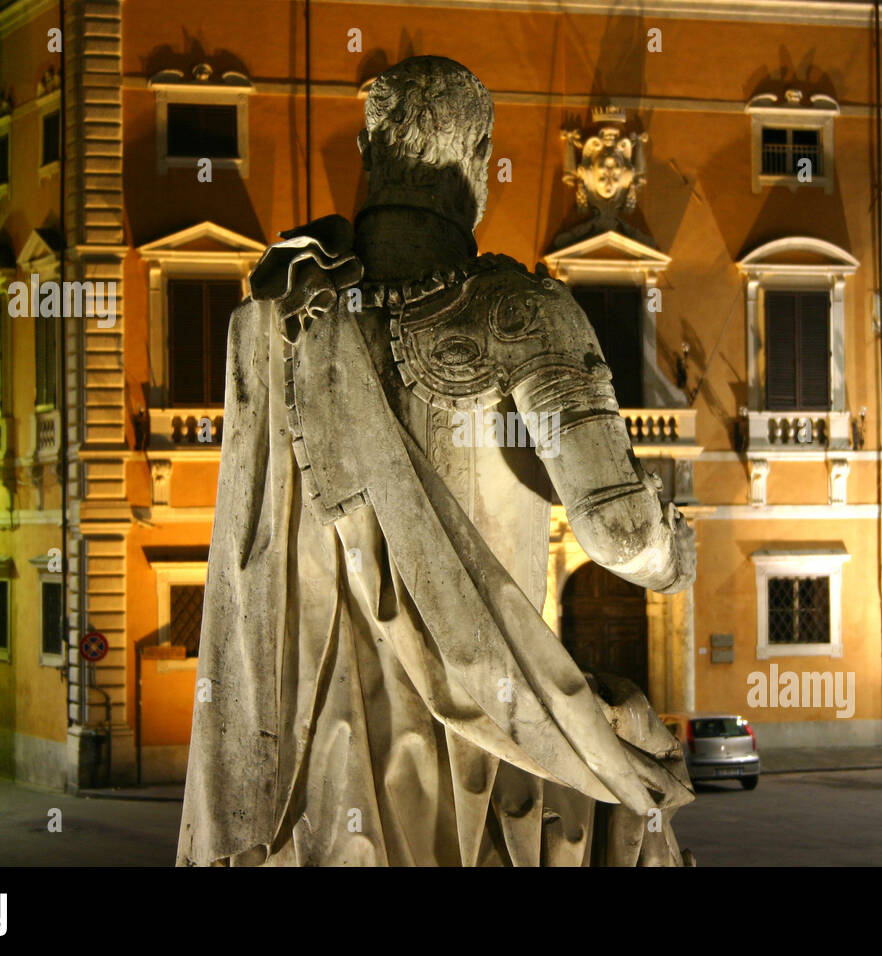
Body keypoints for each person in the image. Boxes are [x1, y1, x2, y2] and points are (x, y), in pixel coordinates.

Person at [178, 55, 696, 867]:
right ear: (478, 156)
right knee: (631, 794)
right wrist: (675, 555)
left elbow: (243, 561)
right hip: (488, 738)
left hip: (317, 755)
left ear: (369, 155)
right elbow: (618, 533)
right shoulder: (519, 313)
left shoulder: (268, 323)